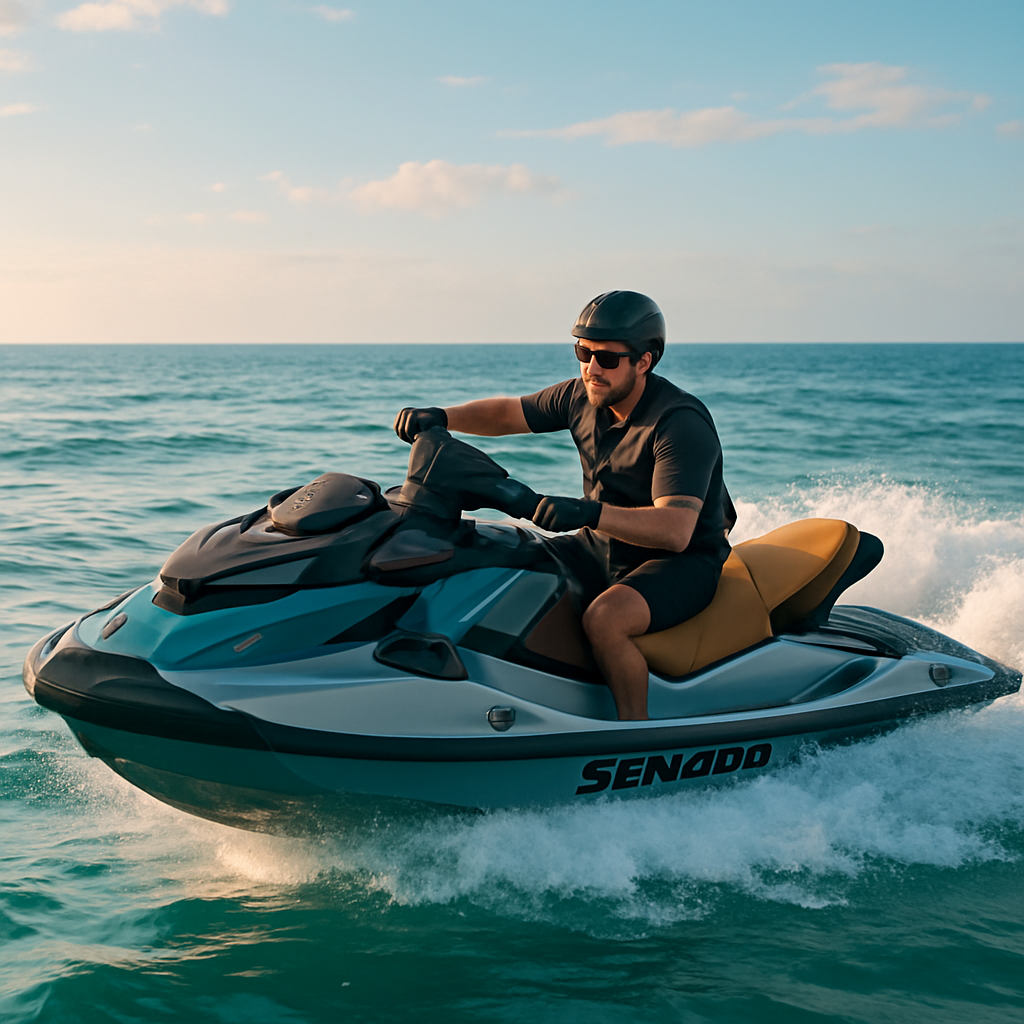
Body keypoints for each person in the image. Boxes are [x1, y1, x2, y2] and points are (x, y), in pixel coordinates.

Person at [393, 290, 734, 721]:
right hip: (602, 543)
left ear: (644, 361)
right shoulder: (582, 396)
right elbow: (507, 414)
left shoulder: (679, 422)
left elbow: (675, 529)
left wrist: (587, 512)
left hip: (681, 562)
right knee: (505, 557)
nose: (592, 369)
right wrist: (443, 416)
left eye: (607, 359)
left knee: (605, 619)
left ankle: (633, 735)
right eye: (583, 352)